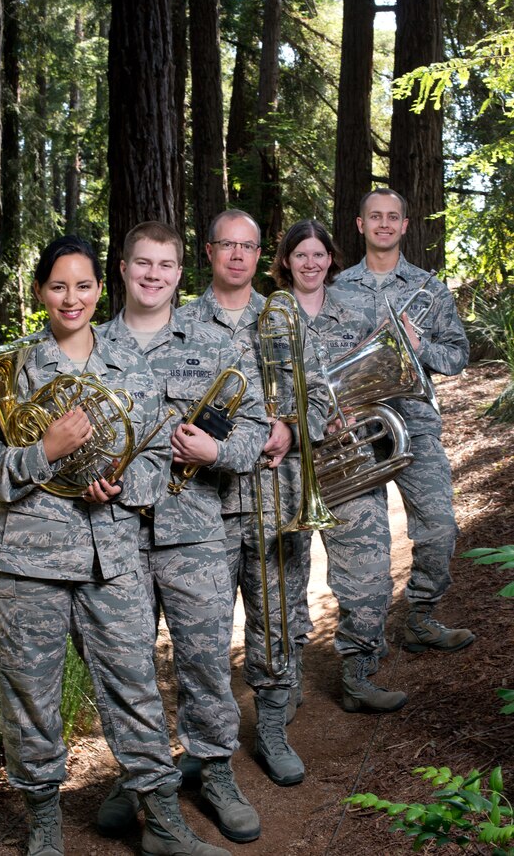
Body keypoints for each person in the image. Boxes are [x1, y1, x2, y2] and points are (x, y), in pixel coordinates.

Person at [0, 235, 232, 856]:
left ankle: (161, 822)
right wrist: (42, 453)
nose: (71, 298)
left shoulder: (130, 364)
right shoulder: (15, 366)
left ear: (100, 290)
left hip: (112, 558)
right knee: (31, 698)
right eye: (58, 286)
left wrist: (121, 483)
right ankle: (44, 822)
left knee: (135, 687)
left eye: (83, 286)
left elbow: (159, 458)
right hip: (23, 563)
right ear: (39, 293)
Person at [95, 222, 269, 844]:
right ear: (123, 267)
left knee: (203, 661)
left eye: (165, 266)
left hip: (195, 529)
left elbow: (256, 428)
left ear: (178, 272)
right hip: (110, 535)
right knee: (127, 669)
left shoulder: (213, 341)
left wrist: (215, 447)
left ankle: (215, 769)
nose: (154, 275)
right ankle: (140, 779)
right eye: (143, 263)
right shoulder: (89, 345)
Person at [179, 210, 329, 785]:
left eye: (249, 246)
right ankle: (203, 743)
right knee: (204, 632)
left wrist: (292, 428)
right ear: (210, 251)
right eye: (227, 246)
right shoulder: (183, 320)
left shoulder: (283, 316)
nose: (237, 256)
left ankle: (270, 728)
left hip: (277, 498)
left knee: (275, 622)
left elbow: (318, 397)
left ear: (260, 254)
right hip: (205, 505)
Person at [271, 218, 408, 712]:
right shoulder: (266, 316)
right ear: (286, 261)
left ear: (331, 259)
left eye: (319, 254)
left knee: (370, 574)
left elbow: (383, 372)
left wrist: (353, 404)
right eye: (301, 254)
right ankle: (283, 689)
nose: (311, 263)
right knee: (283, 581)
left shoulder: (357, 308)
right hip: (284, 466)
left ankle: (359, 676)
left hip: (349, 459)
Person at [332, 189, 475, 654]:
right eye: (376, 217)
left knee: (439, 527)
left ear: (405, 225)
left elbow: (457, 355)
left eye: (393, 217)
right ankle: (359, 652)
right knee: (362, 548)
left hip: (415, 423)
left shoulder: (429, 289)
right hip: (357, 429)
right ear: (360, 225)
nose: (385, 224)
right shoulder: (336, 290)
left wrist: (420, 349)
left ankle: (421, 614)